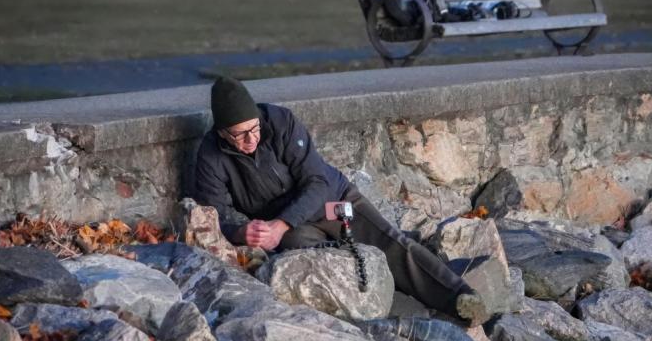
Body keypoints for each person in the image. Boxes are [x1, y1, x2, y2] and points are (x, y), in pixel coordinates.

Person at [194, 76, 490, 325]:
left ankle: (460, 299)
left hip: (330, 200)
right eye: (239, 134)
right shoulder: (211, 155)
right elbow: (215, 211)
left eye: (254, 128)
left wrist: (281, 225)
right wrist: (240, 231)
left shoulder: (280, 122)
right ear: (222, 133)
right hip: (291, 227)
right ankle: (390, 309)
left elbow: (318, 181)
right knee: (316, 257)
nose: (250, 139)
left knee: (391, 243)